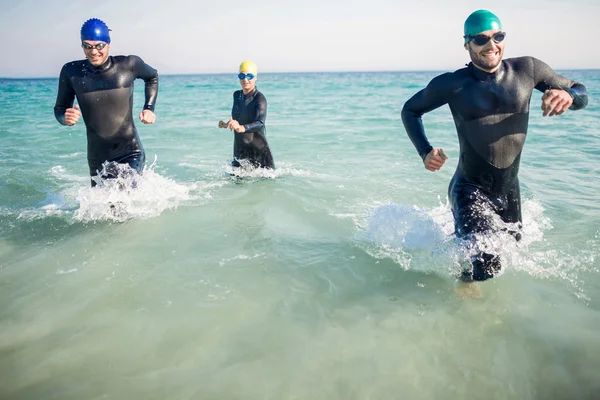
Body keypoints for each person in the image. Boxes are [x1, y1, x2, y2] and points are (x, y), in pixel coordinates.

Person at [401, 10, 588, 282]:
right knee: (487, 263)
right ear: (467, 44)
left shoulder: (528, 70)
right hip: (469, 188)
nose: (491, 45)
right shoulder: (453, 84)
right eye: (481, 39)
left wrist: (568, 94)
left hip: (508, 188)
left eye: (498, 36)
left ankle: (469, 292)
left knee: (509, 253)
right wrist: (424, 151)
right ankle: (467, 304)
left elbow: (582, 92)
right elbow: (410, 110)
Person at [54, 18, 159, 187]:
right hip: (97, 158)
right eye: (87, 46)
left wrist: (149, 108)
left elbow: (152, 77)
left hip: (130, 151)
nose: (93, 51)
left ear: (108, 44)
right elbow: (59, 108)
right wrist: (64, 118)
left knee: (123, 196)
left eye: (99, 46)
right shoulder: (71, 72)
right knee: (105, 210)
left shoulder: (129, 65)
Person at [223, 60, 274, 169]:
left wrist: (242, 128)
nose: (245, 80)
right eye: (242, 76)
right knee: (235, 183)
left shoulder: (259, 98)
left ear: (255, 78)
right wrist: (230, 123)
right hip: (240, 150)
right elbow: (239, 117)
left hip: (259, 152)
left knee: (267, 185)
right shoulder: (237, 95)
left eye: (249, 76)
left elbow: (260, 123)